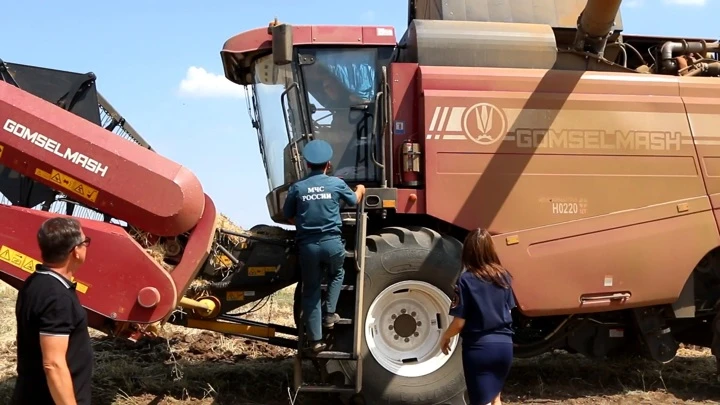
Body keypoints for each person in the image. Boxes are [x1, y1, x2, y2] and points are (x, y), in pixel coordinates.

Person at [282, 139, 366, 353]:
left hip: (308, 246)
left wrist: (302, 225)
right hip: (332, 243)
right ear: (328, 164)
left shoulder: (297, 188)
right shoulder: (336, 184)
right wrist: (361, 189)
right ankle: (330, 314)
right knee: (337, 274)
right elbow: (354, 200)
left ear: (307, 164)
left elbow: (288, 214)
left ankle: (316, 341)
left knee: (310, 291)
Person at [11, 217, 94, 405]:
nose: (86, 246)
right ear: (75, 252)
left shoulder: (35, 282)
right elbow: (53, 364)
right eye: (85, 242)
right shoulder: (57, 298)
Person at [440, 228, 516, 405]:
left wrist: (445, 336)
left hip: (480, 349)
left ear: (468, 252)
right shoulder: (503, 276)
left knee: (481, 401)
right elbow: (509, 311)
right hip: (505, 347)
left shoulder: (466, 280)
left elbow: (459, 322)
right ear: (491, 249)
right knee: (495, 397)